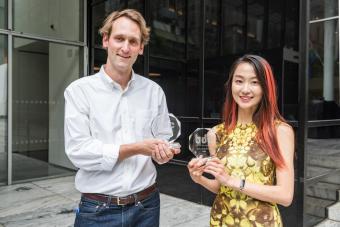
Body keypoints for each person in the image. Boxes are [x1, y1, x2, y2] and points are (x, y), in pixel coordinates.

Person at [64, 9, 179, 227]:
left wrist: (163, 153)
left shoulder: (154, 92)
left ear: (141, 47)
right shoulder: (79, 91)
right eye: (119, 38)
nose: (125, 48)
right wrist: (136, 148)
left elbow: (162, 143)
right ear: (106, 40)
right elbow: (78, 152)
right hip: (97, 210)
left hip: (147, 206)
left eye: (133, 41)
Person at [188, 55, 294, 226]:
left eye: (254, 82)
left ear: (266, 88)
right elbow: (219, 186)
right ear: (230, 86)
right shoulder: (216, 133)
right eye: (239, 81)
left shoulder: (279, 131)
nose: (245, 89)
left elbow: (285, 195)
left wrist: (232, 180)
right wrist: (198, 178)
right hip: (221, 220)